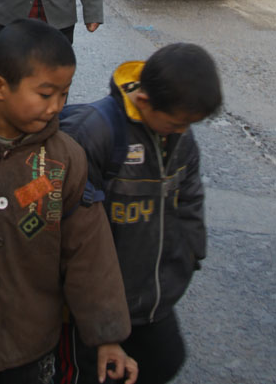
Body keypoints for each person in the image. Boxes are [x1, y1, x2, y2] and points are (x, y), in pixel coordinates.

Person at [0, 19, 137, 384]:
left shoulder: (66, 159)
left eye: (64, 95)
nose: (56, 107)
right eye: (45, 94)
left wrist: (107, 336)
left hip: (28, 344)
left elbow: (88, 249)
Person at [58, 43, 222, 384]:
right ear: (144, 101)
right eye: (176, 123)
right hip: (98, 298)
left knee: (165, 360)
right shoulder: (94, 133)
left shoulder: (179, 135)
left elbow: (190, 198)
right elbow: (74, 234)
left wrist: (190, 253)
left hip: (152, 295)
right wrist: (102, 325)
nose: (182, 130)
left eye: (188, 124)